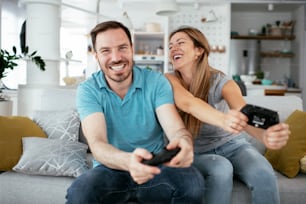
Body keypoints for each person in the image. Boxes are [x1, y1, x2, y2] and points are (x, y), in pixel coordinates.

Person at [65, 21, 204, 204]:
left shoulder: (156, 82)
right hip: (110, 169)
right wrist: (128, 161)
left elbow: (176, 129)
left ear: (132, 48)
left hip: (155, 167)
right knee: (80, 192)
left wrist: (184, 141)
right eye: (106, 51)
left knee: (193, 184)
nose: (116, 57)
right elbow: (98, 144)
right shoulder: (88, 90)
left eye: (122, 48)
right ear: (96, 55)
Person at [166, 26, 290, 204]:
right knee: (220, 169)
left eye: (180, 43)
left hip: (233, 145)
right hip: (197, 151)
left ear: (198, 50)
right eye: (170, 46)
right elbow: (188, 103)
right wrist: (225, 120)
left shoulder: (221, 81)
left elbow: (243, 114)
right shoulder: (169, 79)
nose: (173, 49)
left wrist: (264, 136)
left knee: (263, 172)